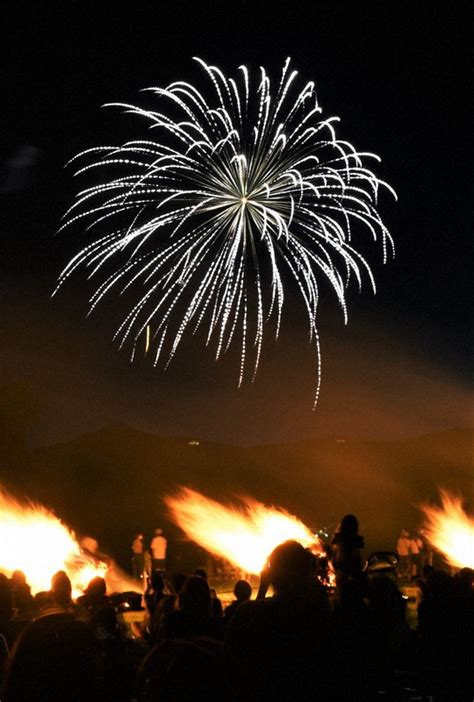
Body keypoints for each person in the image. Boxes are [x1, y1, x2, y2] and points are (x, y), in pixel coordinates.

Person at [226, 540, 332, 701]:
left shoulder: (250, 611)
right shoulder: (321, 610)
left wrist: (263, 585)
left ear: (272, 574)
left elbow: (230, 661)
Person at [331, 514, 364, 587]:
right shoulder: (356, 540)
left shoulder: (338, 538)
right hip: (350, 574)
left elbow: (334, 558)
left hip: (341, 573)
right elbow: (357, 559)